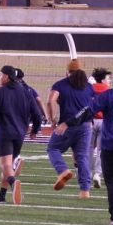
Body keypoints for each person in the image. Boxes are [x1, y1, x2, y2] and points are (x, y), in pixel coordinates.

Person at [57, 65, 113, 225]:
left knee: (112, 182)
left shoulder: (109, 94)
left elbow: (88, 111)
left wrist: (68, 122)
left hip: (111, 144)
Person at [0, 65, 41, 205]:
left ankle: (13, 182)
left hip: (5, 132)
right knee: (9, 165)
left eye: (1, 75)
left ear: (6, 76)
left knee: (5, 165)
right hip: (20, 133)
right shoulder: (27, 92)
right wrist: (35, 129)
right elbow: (37, 114)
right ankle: (1, 196)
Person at [45, 59, 95, 198]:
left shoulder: (61, 84)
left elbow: (50, 101)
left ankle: (62, 170)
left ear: (67, 72)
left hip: (66, 125)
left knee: (53, 148)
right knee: (82, 157)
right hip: (86, 126)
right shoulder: (89, 87)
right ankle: (85, 190)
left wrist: (52, 119)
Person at [88, 67, 112, 188]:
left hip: (90, 121)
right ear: (102, 79)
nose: (110, 81)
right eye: (108, 78)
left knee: (89, 149)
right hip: (104, 122)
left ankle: (86, 173)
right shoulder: (108, 91)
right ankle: (97, 174)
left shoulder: (90, 89)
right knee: (101, 150)